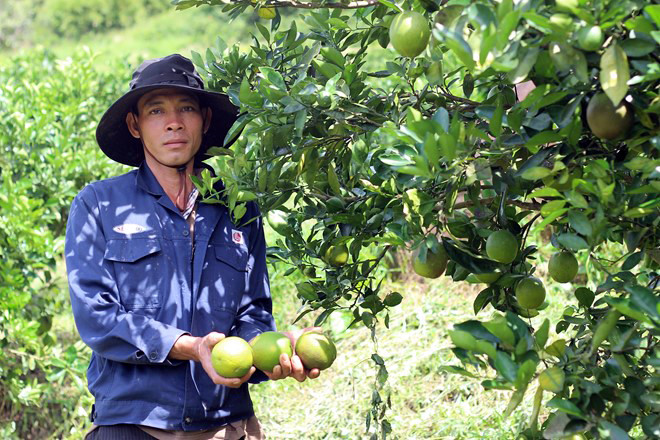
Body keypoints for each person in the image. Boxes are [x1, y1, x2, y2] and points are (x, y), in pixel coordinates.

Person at [65, 54, 319, 440]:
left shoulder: (237, 206)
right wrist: (192, 346)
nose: (173, 122)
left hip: (225, 424)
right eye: (156, 110)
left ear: (205, 120)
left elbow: (253, 311)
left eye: (186, 108)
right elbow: (96, 317)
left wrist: (274, 351)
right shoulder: (99, 204)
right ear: (135, 125)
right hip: (133, 423)